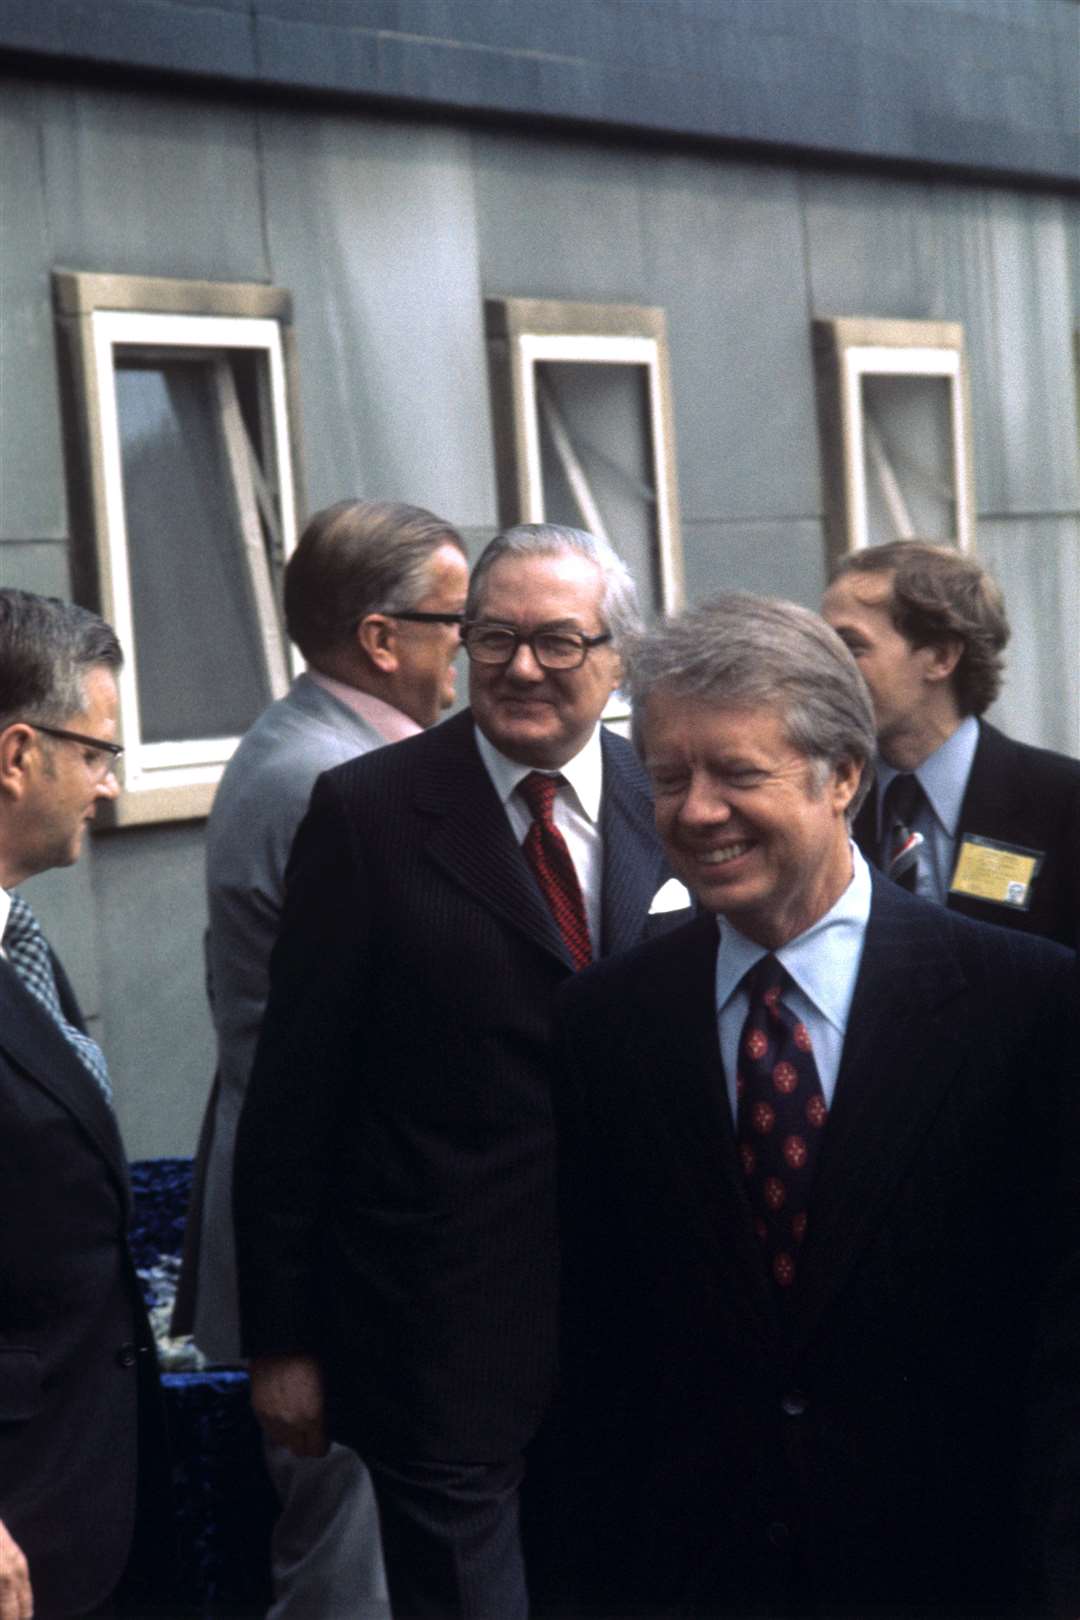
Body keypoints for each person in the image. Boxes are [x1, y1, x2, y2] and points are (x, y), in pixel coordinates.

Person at [554, 593, 1080, 1619]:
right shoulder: (605, 1024)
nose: (696, 810)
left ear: (841, 777)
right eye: (668, 779)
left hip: (961, 1570)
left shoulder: (1027, 1006)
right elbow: (597, 1359)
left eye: (737, 774)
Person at [233, 522, 691, 1619]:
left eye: (556, 642)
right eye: (493, 639)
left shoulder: (670, 800)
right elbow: (295, 1091)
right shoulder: (367, 814)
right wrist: (282, 1341)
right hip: (437, 1341)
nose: (522, 667)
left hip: (645, 1326)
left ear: (617, 656)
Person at [174, 500, 468, 1619]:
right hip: (337, 1244)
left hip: (347, 1236)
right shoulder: (325, 782)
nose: (480, 651)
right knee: (351, 1568)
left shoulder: (320, 747)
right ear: (384, 638)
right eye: (461, 621)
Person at [0, 589, 170, 1618]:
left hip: (80, 1486)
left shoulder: (19, 939)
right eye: (99, 753)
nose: (109, 787)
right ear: (17, 753)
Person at [822, 539, 1080, 947]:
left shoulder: (1063, 802)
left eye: (851, 647)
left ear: (941, 657)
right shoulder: (821, 801)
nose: (826, 669)